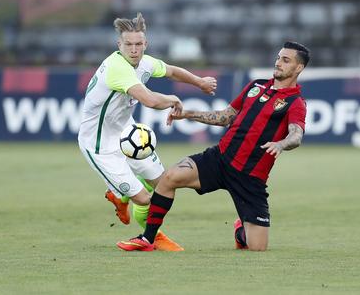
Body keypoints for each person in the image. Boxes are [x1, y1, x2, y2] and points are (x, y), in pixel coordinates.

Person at [117, 41, 310, 252]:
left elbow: (296, 135)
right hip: (220, 159)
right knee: (169, 178)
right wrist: (188, 114)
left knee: (257, 248)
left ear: (298, 68)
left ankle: (240, 231)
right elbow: (225, 117)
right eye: (279, 57)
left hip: (250, 179)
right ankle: (147, 239)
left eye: (286, 60)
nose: (278, 62)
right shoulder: (256, 86)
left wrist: (281, 144)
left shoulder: (296, 102)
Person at [78, 13, 217, 251]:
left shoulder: (144, 62)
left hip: (127, 132)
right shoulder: (117, 68)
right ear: (118, 45)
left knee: (163, 184)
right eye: (128, 45)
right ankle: (152, 236)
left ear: (145, 44)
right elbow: (150, 101)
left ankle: (122, 197)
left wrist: (200, 82)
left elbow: (172, 71)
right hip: (99, 144)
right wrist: (172, 98)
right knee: (144, 198)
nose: (134, 50)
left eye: (138, 44)